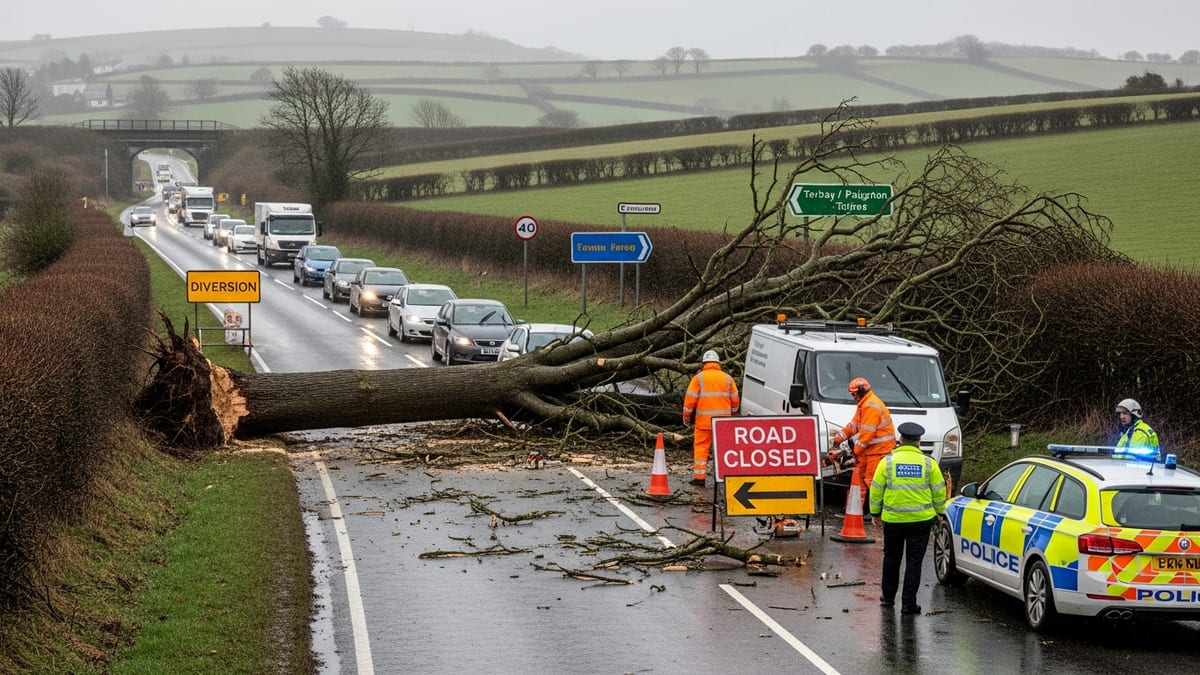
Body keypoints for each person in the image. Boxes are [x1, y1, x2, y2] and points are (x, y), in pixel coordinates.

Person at [869, 422, 947, 616]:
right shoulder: (929, 464)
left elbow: (876, 490)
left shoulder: (887, 462)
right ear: (919, 442)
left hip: (893, 520)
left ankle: (888, 598)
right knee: (914, 562)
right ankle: (908, 604)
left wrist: (875, 513)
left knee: (891, 558)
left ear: (900, 440)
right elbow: (939, 492)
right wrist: (940, 513)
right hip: (920, 522)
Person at [832, 377, 896, 501]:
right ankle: (855, 509)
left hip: (879, 450)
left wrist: (853, 453)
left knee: (872, 480)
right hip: (869, 449)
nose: (853, 397)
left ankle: (875, 511)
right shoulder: (864, 405)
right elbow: (854, 426)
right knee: (858, 478)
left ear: (861, 391)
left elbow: (866, 436)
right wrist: (839, 438)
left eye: (854, 394)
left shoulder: (871, 406)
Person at [682, 350, 740, 486]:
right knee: (724, 449)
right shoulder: (727, 379)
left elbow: (690, 400)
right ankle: (725, 476)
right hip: (722, 423)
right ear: (718, 364)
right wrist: (733, 415)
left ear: (704, 364)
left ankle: (699, 478)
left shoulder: (698, 378)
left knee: (701, 448)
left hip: (703, 422)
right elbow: (735, 400)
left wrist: (686, 417)